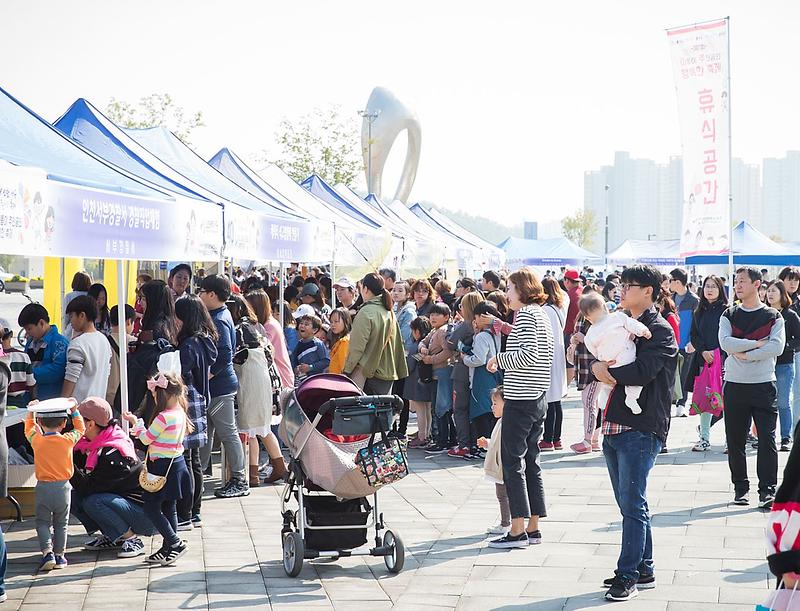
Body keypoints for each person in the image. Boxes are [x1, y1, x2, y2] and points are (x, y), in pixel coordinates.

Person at [590, 265, 678, 601]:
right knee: (630, 503)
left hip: (641, 427)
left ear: (649, 292)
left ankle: (626, 576)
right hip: (613, 422)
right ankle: (644, 568)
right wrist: (598, 366)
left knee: (632, 503)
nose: (622, 290)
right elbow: (598, 352)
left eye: (630, 285)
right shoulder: (617, 322)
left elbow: (641, 371)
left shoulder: (659, 330)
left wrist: (602, 369)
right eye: (621, 284)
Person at [485, 268, 553, 549]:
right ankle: (533, 525)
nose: (507, 294)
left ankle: (516, 530)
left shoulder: (526, 314)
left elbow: (527, 355)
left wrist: (499, 359)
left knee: (513, 463)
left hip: (522, 396)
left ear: (522, 290)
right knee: (531, 461)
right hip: (538, 396)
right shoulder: (542, 314)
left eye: (510, 289)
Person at [720, 267, 785, 509]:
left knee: (767, 439)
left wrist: (746, 353)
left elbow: (776, 347)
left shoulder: (773, 316)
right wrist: (756, 344)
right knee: (735, 440)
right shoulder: (729, 314)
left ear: (757, 284)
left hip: (764, 384)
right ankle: (740, 488)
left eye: (743, 282)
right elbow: (725, 343)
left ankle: (767, 491)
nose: (738, 285)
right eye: (736, 282)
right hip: (735, 384)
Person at [123, 372, 193, 566]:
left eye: (155, 394)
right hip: (176, 463)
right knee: (169, 506)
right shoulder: (180, 411)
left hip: (161, 466)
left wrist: (135, 423)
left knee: (151, 507)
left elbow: (145, 439)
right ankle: (167, 548)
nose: (153, 398)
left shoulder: (163, 417)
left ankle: (174, 543)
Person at [71, 397, 153, 559]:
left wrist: (65, 460)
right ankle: (114, 535)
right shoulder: (95, 441)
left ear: (91, 424)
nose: (74, 424)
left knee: (93, 501)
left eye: (77, 420)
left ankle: (131, 539)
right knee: (73, 498)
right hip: (124, 503)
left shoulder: (112, 452)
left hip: (146, 516)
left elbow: (88, 488)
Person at [198, 275, 248, 498]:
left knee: (228, 433)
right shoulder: (219, 314)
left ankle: (240, 479)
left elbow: (226, 353)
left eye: (202, 291)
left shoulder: (219, 318)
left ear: (211, 295)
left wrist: (208, 374)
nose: (199, 295)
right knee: (205, 435)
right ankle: (197, 478)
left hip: (220, 387)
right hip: (216, 387)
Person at [25, 399, 85, 571]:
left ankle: (47, 553)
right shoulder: (68, 440)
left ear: (40, 422)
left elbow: (28, 428)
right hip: (63, 487)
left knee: (42, 522)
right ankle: (60, 556)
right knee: (61, 523)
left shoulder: (36, 440)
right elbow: (80, 428)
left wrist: (31, 411)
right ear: (64, 423)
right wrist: (74, 409)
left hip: (43, 487)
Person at [174, 295, 217, 528]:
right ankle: (195, 511)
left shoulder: (189, 344)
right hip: (201, 399)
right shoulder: (205, 339)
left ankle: (185, 513)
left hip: (188, 401)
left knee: (187, 459)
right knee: (195, 460)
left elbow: (181, 372)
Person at [244, 290, 289, 485]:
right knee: (263, 428)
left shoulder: (266, 327)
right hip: (274, 378)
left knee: (258, 427)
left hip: (272, 380)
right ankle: (278, 468)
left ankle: (266, 470)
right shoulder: (269, 324)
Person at [583, 292, 652, 416]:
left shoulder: (590, 332)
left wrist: (599, 359)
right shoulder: (617, 317)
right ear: (605, 307)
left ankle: (604, 395)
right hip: (626, 357)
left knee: (607, 382)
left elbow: (590, 347)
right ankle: (631, 398)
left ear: (587, 318)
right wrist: (643, 331)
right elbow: (632, 324)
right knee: (635, 383)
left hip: (608, 363)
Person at [344, 273, 408, 394]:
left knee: (360, 410)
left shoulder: (366, 312)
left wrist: (347, 370)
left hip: (369, 373)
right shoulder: (388, 310)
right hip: (388, 371)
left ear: (366, 289)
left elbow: (357, 347)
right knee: (384, 410)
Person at [689, 275, 728, 452]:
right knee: (704, 400)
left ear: (720, 289)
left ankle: (731, 440)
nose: (709, 289)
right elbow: (694, 336)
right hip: (703, 361)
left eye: (713, 286)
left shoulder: (727, 310)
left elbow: (730, 335)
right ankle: (704, 438)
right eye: (707, 286)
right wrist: (703, 351)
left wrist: (718, 351)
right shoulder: (698, 311)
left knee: (728, 401)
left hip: (725, 361)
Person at [446, 291, 485, 458]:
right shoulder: (484, 325)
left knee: (460, 409)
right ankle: (476, 443)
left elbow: (450, 343)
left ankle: (464, 445)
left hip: (462, 371)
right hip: (478, 374)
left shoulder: (466, 325)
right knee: (474, 410)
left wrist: (450, 327)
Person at [766, 280, 800, 453]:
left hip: (784, 364)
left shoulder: (790, 315)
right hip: (763, 364)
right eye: (768, 291)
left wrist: (784, 346)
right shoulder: (763, 313)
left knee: (783, 402)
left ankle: (786, 437)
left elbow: (799, 339)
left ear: (782, 294)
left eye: (774, 291)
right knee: (765, 403)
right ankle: (765, 436)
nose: (770, 294)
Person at [463, 302, 502, 445]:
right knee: (492, 410)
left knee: (481, 412)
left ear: (481, 316)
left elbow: (478, 359)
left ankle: (483, 444)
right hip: (495, 374)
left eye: (476, 317)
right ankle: (493, 444)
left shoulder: (481, 337)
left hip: (482, 376)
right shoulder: (496, 334)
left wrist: (465, 358)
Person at [420, 303, 457, 454]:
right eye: (431, 314)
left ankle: (443, 440)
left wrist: (430, 359)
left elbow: (448, 352)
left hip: (442, 373)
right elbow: (424, 341)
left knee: (441, 408)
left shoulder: (442, 331)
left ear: (447, 317)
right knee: (441, 407)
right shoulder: (436, 330)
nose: (433, 317)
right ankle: (447, 439)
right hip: (438, 374)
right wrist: (422, 348)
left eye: (437, 314)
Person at [62, 296, 112, 404]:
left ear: (82, 315)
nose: (70, 322)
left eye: (71, 317)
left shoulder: (78, 344)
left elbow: (71, 378)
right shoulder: (104, 340)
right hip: (99, 406)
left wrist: (62, 403)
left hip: (79, 409)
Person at [539, 277, 568, 451]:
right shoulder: (558, 308)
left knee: (550, 400)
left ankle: (548, 438)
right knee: (556, 400)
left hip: (549, 356)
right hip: (558, 354)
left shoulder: (546, 311)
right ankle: (556, 438)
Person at [477, 386, 509, 537]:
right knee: (503, 496)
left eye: (495, 403)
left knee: (503, 496)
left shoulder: (506, 423)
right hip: (500, 466)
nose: (492, 407)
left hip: (503, 466)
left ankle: (505, 524)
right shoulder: (501, 422)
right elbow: (496, 443)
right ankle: (507, 522)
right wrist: (488, 443)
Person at [20, 303, 69, 400]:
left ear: (41, 323)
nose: (27, 333)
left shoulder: (59, 342)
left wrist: (28, 373)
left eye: (29, 329)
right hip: (31, 398)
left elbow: (57, 370)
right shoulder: (30, 342)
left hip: (50, 399)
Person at [670, 268, 700, 417]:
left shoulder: (694, 300)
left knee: (684, 374)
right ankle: (670, 401)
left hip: (687, 344)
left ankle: (681, 404)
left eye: (671, 280)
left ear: (677, 281)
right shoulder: (670, 298)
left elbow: (697, 324)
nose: (669, 283)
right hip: (671, 343)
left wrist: (692, 342)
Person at [405, 317, 435, 448]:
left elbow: (410, 365)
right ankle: (427, 434)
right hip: (428, 380)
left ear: (416, 331)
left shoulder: (415, 346)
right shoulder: (429, 343)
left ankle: (422, 436)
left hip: (416, 381)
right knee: (427, 409)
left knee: (420, 410)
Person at [105, 304, 136, 407]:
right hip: (128, 396)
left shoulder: (104, 342)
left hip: (107, 396)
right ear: (128, 322)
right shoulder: (135, 343)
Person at [291, 313, 330, 383]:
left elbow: (326, 361)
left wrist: (310, 367)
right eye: (301, 323)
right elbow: (293, 361)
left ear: (314, 330)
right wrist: (296, 369)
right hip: (303, 381)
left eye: (306, 324)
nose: (302, 326)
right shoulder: (298, 345)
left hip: (317, 381)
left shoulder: (318, 344)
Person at [563, 269, 583, 385]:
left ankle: (566, 385)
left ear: (567, 281)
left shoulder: (568, 296)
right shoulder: (583, 292)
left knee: (569, 361)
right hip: (583, 332)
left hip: (570, 332)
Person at [328, 308, 352, 375]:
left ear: (345, 321)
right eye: (331, 322)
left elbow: (343, 366)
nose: (332, 325)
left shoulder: (345, 341)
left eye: (336, 321)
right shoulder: (340, 340)